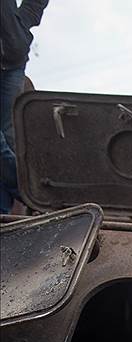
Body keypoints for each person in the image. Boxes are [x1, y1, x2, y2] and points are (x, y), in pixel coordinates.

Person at [1, 0, 48, 214]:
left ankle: (4, 210)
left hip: (12, 59)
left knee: (11, 140)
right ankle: (34, 195)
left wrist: (24, 21)